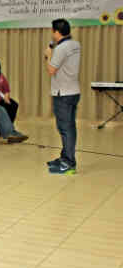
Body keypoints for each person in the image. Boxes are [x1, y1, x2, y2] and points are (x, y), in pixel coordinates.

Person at [45, 18, 81, 174]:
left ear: (56, 32)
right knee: (69, 127)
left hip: (63, 94)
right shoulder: (75, 44)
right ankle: (65, 157)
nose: (52, 34)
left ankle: (68, 163)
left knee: (65, 128)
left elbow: (51, 70)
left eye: (53, 31)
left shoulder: (61, 48)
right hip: (73, 91)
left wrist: (48, 55)